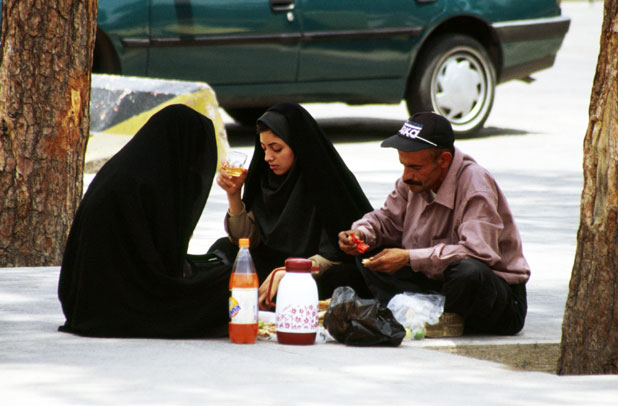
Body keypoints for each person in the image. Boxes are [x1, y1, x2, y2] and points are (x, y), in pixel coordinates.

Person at [338, 112, 529, 335]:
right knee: (369, 254)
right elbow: (387, 220)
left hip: (494, 298)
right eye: (404, 165)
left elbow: (479, 253)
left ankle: (436, 316)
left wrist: (409, 258)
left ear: (444, 160)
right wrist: (361, 233)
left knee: (468, 272)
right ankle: (428, 313)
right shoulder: (411, 183)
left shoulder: (475, 183)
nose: (407, 175)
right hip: (436, 284)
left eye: (415, 167)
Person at [58, 104, 232, 338]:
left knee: (224, 259)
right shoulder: (143, 186)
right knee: (230, 285)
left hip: (85, 301)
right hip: (117, 306)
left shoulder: (128, 172)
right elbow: (159, 271)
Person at [212, 102, 373, 308]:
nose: (268, 157)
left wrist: (290, 271)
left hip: (313, 271)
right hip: (273, 266)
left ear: (298, 144)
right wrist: (234, 195)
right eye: (263, 149)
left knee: (341, 280)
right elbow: (245, 241)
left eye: (277, 149)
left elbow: (337, 254)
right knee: (223, 251)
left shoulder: (325, 181)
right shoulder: (265, 178)